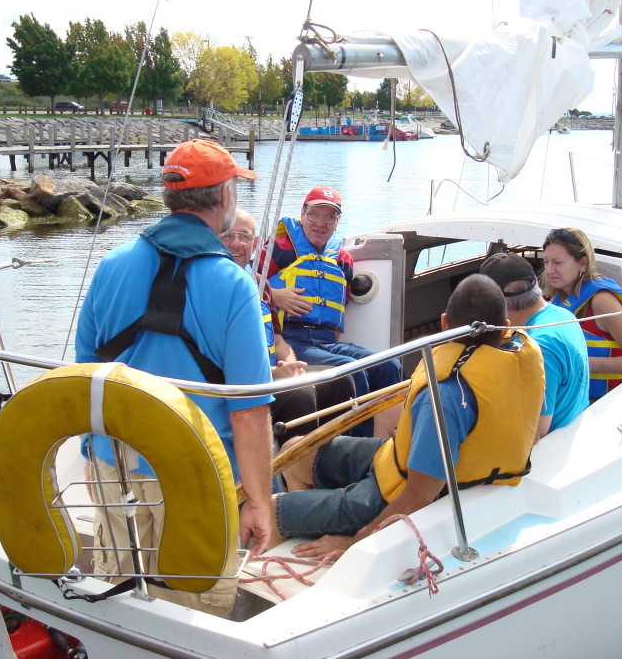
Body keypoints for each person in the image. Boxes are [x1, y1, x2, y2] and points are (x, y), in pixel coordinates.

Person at [75, 138, 274, 616]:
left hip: (114, 467)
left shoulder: (111, 266)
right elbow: (249, 413)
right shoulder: (234, 286)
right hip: (194, 476)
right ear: (224, 197)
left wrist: (89, 456)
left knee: (119, 600)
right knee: (190, 611)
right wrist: (260, 502)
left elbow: (84, 377)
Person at [272, 274, 544, 559]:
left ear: (444, 324)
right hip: (394, 460)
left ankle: (308, 528)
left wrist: (352, 543)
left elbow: (419, 497)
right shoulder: (521, 359)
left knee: (269, 510)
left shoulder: (445, 395)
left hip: (391, 494)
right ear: (505, 328)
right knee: (294, 450)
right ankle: (314, 517)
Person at [265, 186, 403, 434]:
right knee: (352, 370)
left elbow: (340, 305)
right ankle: (355, 451)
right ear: (302, 213)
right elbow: (246, 285)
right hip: (291, 340)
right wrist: (275, 295)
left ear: (337, 222)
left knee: (390, 365)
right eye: (315, 213)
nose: (321, 222)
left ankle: (385, 443)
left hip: (327, 342)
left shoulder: (342, 259)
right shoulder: (279, 248)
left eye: (330, 216)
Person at [220, 207, 354, 449]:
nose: (236, 244)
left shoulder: (261, 286)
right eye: (228, 235)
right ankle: (299, 471)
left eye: (244, 237)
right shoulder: (213, 285)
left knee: (340, 380)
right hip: (242, 383)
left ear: (255, 243)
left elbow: (279, 341)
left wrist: (292, 367)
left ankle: (333, 461)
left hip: (273, 372)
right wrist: (273, 373)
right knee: (301, 395)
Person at [541, 227, 622, 402]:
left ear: (583, 264)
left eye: (558, 263)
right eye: (546, 262)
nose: (550, 270)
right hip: (574, 396)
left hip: (604, 402)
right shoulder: (560, 295)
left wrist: (580, 364)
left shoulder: (602, 302)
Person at [480, 252, 588, 440]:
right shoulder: (563, 315)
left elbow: (537, 430)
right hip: (574, 426)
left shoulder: (536, 347)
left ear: (498, 304)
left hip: (551, 447)